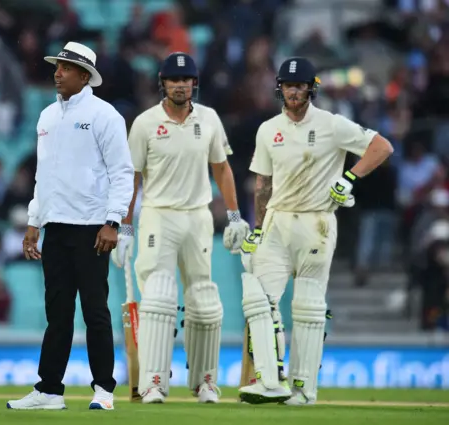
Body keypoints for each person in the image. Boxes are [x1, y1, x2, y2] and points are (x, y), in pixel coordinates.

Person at [238, 57, 394, 405]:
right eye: (289, 85)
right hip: (277, 222)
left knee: (308, 308)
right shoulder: (268, 129)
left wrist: (349, 178)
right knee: (257, 297)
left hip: (316, 222)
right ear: (280, 88)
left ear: (312, 87)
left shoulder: (332, 124)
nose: (294, 91)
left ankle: (304, 389)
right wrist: (258, 228)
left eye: (301, 85)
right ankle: (270, 381)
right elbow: (263, 182)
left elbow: (382, 146)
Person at [111, 52, 249, 404]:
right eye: (174, 79)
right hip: (159, 214)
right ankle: (154, 382)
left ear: (194, 83)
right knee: (158, 297)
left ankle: (205, 382)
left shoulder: (210, 119)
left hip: (198, 216)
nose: (180, 84)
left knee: (204, 301)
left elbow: (222, 169)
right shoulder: (145, 123)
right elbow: (133, 179)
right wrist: (125, 228)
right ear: (163, 82)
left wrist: (234, 216)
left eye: (186, 79)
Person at [7, 42, 134, 411]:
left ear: (84, 75)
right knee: (58, 313)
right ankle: (49, 391)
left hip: (93, 227)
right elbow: (41, 177)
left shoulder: (104, 115)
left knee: (95, 311)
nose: (57, 73)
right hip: (56, 228)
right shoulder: (46, 116)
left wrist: (113, 222)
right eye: (57, 67)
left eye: (64, 68)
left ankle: (104, 390)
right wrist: (34, 222)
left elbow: (122, 173)